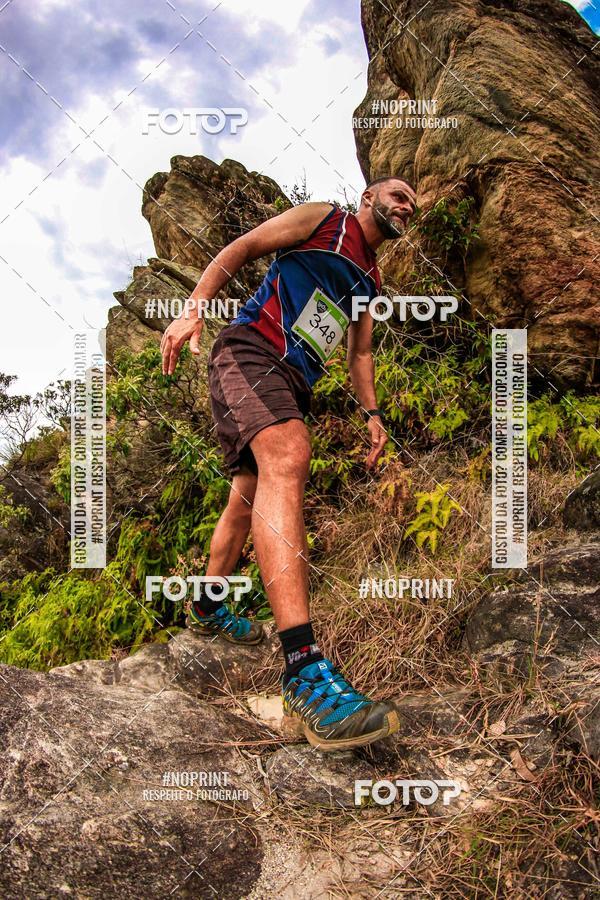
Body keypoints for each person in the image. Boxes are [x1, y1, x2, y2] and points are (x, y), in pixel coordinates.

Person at [160, 175, 417, 750]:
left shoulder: (371, 279)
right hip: (250, 349)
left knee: (248, 491)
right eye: (398, 194)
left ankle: (206, 603)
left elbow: (361, 351)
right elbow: (242, 247)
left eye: (413, 204)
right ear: (369, 195)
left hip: (294, 379)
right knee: (289, 453)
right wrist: (193, 311)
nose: (407, 206)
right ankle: (303, 670)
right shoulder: (327, 219)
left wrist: (373, 416)